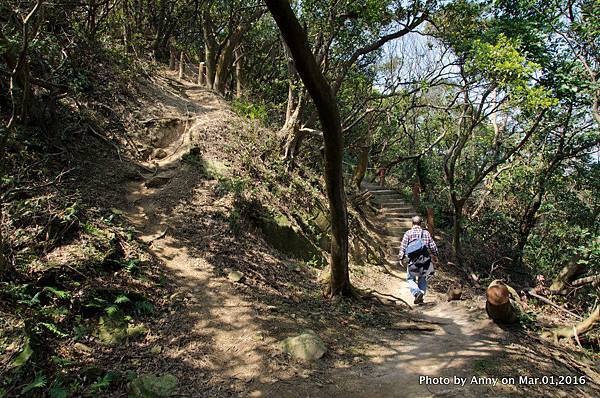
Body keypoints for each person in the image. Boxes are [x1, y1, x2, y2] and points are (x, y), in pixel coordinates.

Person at [398, 215, 439, 304]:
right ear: (421, 224)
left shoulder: (408, 233)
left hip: (412, 260)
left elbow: (403, 246)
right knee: (422, 278)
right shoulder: (426, 233)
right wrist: (435, 255)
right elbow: (433, 246)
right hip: (425, 259)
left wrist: (401, 258)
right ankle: (420, 295)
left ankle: (417, 293)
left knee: (410, 279)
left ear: (412, 223)